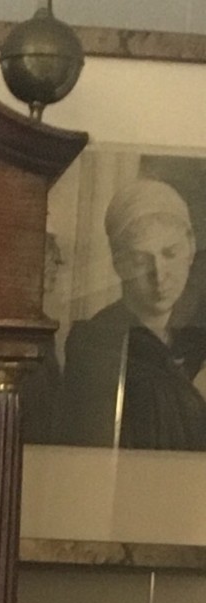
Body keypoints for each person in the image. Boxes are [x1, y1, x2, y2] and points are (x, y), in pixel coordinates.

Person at [59, 176, 206, 449]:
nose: (159, 275)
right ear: (119, 264)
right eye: (140, 261)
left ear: (191, 248)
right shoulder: (95, 342)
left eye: (170, 253)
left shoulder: (195, 334)